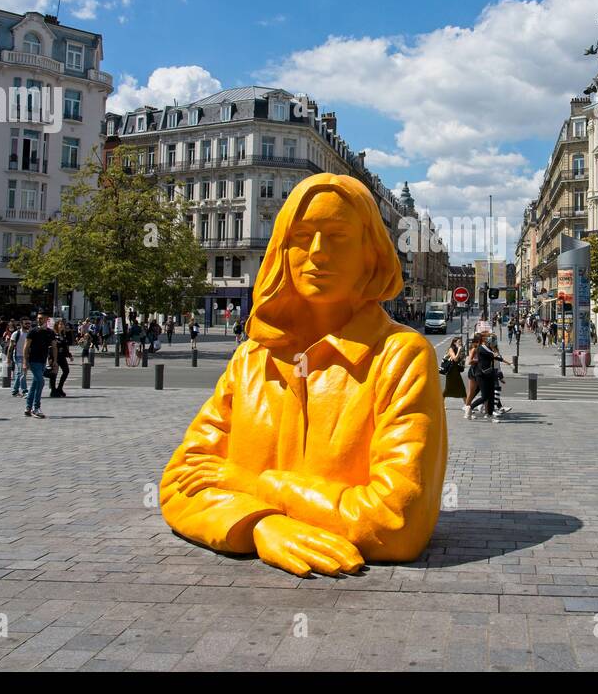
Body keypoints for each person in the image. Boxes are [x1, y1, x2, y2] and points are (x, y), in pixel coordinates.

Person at [158, 173, 447, 577]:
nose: (317, 253)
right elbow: (179, 483)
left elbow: (397, 523)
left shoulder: (399, 357)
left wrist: (255, 486)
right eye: (302, 235)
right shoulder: (251, 360)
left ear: (371, 252)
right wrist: (259, 523)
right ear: (282, 248)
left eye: (338, 236)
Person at [23, 314, 57, 418]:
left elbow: (54, 347)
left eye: (41, 318)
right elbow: (26, 346)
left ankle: (28, 407)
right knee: (41, 381)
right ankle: (36, 407)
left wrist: (54, 361)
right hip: (33, 361)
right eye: (38, 318)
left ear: (47, 319)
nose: (39, 320)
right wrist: (25, 361)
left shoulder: (50, 332)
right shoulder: (33, 331)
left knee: (35, 383)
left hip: (43, 361)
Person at [48, 319, 73, 397]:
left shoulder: (63, 335)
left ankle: (59, 388)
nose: (62, 326)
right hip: (54, 356)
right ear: (57, 325)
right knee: (54, 373)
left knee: (66, 371)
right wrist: (50, 358)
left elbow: (65, 346)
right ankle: (53, 390)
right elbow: (50, 347)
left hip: (61, 356)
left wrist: (69, 355)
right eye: (60, 324)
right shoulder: (53, 334)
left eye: (63, 325)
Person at [442, 337, 467, 402]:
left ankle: (467, 406)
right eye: (459, 342)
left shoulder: (459, 349)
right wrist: (459, 350)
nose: (460, 343)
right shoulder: (451, 349)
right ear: (454, 343)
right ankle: (441, 403)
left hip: (456, 371)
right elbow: (455, 359)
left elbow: (461, 360)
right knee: (447, 389)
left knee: (462, 388)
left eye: (461, 342)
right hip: (451, 372)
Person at [10, 319, 30, 397]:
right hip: (18, 355)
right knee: (22, 373)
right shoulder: (16, 333)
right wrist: (8, 357)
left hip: (27, 356)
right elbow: (11, 346)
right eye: (26, 323)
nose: (28, 325)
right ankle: (24, 390)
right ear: (21, 324)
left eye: (29, 323)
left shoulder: (30, 333)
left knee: (20, 374)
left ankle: (15, 391)